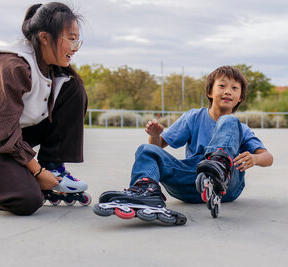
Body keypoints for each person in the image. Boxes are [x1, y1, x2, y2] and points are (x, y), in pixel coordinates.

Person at [95, 65, 273, 222]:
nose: (228, 91)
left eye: (235, 88)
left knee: (229, 121)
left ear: (240, 97)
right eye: (222, 86)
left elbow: (268, 157)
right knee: (145, 149)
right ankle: (145, 190)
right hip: (192, 182)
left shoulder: (239, 127)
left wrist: (255, 159)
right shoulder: (194, 117)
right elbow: (158, 147)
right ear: (210, 92)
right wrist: (155, 135)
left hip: (227, 185)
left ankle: (218, 167)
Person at [0, 2, 88, 215]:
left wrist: (45, 169)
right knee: (26, 198)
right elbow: (0, 134)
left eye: (78, 40)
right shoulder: (12, 65)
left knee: (73, 86)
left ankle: (53, 166)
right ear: (44, 37)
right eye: (71, 38)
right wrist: (36, 172)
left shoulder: (49, 64)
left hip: (11, 133)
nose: (75, 47)